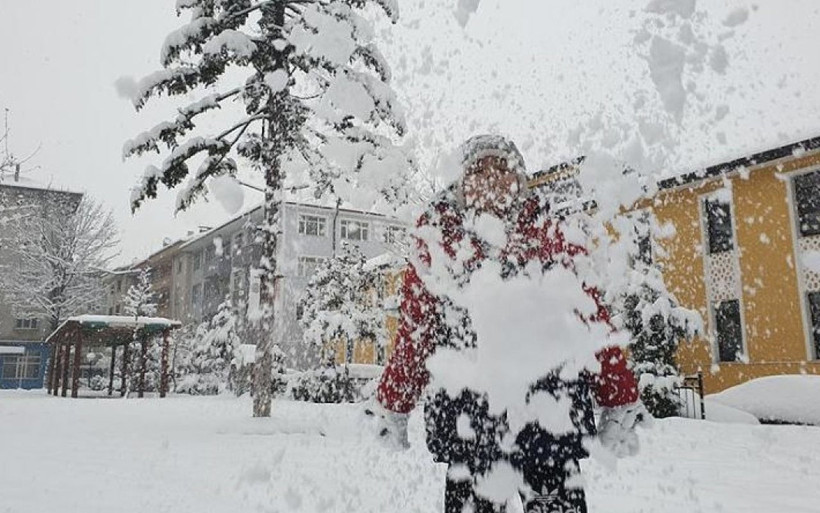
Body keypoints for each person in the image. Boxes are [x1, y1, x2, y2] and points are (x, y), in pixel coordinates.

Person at [369, 135, 646, 513]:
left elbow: (590, 316)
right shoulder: (438, 236)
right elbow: (417, 330)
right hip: (469, 422)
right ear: (461, 182)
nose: (491, 178)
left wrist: (620, 395)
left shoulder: (551, 230)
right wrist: (394, 401)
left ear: (520, 179)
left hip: (549, 417)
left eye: (502, 167)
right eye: (478, 169)